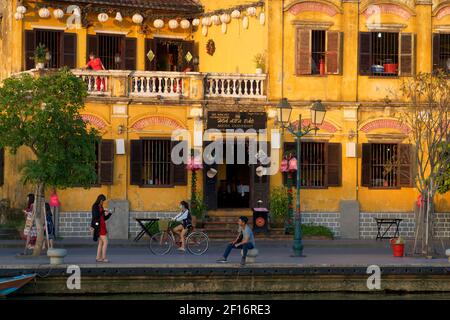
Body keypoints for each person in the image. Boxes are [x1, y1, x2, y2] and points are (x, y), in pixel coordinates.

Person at [90, 194, 112, 263]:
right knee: (105, 242)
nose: (103, 202)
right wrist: (103, 211)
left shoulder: (101, 206)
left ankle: (98, 258)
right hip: (98, 226)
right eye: (102, 201)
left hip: (102, 225)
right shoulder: (95, 206)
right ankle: (104, 258)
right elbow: (96, 216)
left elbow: (104, 218)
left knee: (101, 242)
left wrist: (109, 214)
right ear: (100, 199)